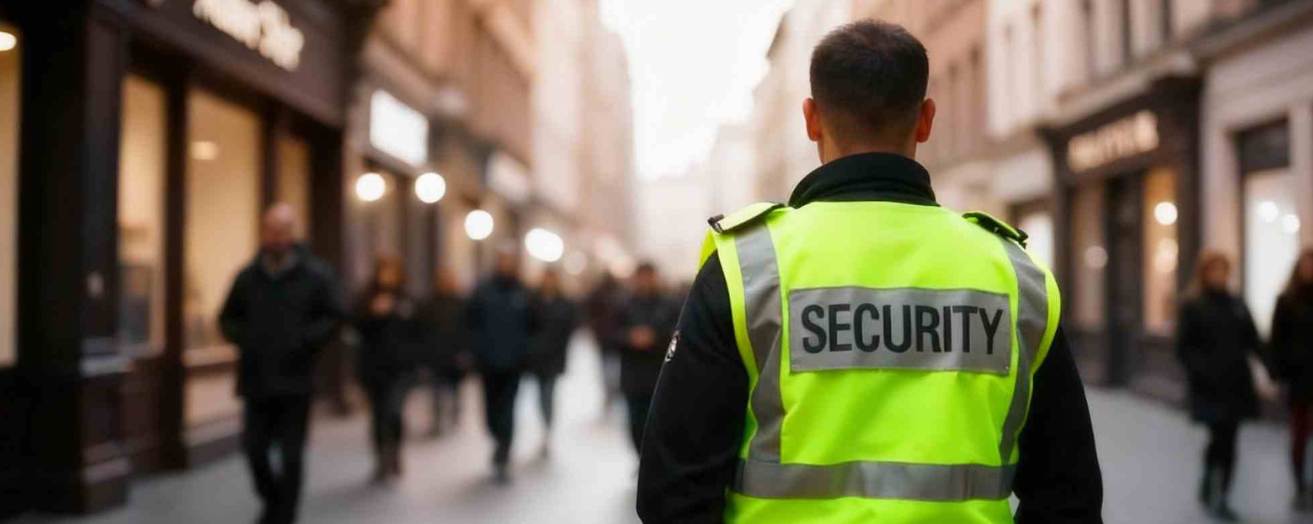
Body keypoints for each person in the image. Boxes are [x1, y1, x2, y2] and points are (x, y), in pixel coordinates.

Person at [636, 20, 1102, 523]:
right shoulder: (1014, 274)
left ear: (811, 119)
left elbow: (673, 493)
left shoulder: (749, 267)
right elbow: (1068, 496)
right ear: (925, 120)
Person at [219, 203, 344, 524]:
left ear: (292, 233)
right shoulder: (248, 277)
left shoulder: (316, 275)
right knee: (254, 451)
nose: (275, 237)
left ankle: (285, 515)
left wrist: (305, 341)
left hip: (295, 380)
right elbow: (227, 318)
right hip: (256, 380)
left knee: (291, 456)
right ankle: (273, 502)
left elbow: (334, 316)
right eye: (269, 230)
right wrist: (245, 338)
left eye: (281, 230)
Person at [1175, 252, 1262, 520]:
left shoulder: (1236, 304)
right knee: (1218, 438)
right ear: (1204, 273)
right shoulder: (1194, 305)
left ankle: (1221, 494)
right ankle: (1210, 482)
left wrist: (1271, 369)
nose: (1220, 276)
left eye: (1224, 270)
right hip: (1209, 387)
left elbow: (1253, 340)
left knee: (1230, 440)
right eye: (1214, 270)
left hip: (1236, 385)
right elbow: (1183, 348)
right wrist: (1201, 372)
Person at [467, 247, 538, 482]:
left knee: (508, 409)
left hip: (514, 363)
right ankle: (497, 438)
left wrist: (527, 351)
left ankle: (504, 453)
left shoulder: (524, 292)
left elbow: (535, 325)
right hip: (488, 362)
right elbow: (470, 322)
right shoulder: (483, 290)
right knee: (490, 411)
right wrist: (475, 350)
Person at [354, 255, 418, 483]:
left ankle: (395, 451)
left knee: (394, 412)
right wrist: (373, 313)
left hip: (400, 369)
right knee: (378, 415)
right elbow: (355, 326)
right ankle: (381, 457)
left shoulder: (406, 299)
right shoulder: (367, 297)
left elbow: (418, 332)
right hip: (374, 368)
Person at [618, 262, 679, 453]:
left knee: (659, 426)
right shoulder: (624, 304)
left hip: (660, 376)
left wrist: (655, 338)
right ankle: (641, 459)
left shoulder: (669, 304)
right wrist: (630, 338)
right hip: (633, 377)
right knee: (636, 425)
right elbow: (609, 333)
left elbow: (678, 333)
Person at [1270, 249, 1313, 510]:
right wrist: (1280, 374)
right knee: (1299, 434)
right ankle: (1299, 485)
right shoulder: (1286, 301)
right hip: (1299, 378)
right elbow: (1277, 341)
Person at [528, 269, 579, 454]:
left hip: (554, 357)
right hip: (537, 357)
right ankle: (545, 423)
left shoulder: (564, 303)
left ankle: (547, 428)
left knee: (549, 392)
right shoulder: (533, 300)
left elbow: (570, 327)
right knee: (540, 394)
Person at [415, 268, 470, 437]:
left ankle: (454, 415)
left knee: (454, 389)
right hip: (436, 355)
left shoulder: (460, 304)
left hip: (454, 355)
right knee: (436, 390)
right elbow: (421, 330)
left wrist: (465, 351)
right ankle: (437, 421)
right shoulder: (429, 303)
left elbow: (466, 330)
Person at [586, 273, 625, 418]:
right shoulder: (600, 295)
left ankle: (612, 397)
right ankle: (610, 398)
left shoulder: (621, 295)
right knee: (608, 373)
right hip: (606, 341)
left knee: (613, 373)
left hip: (617, 342)